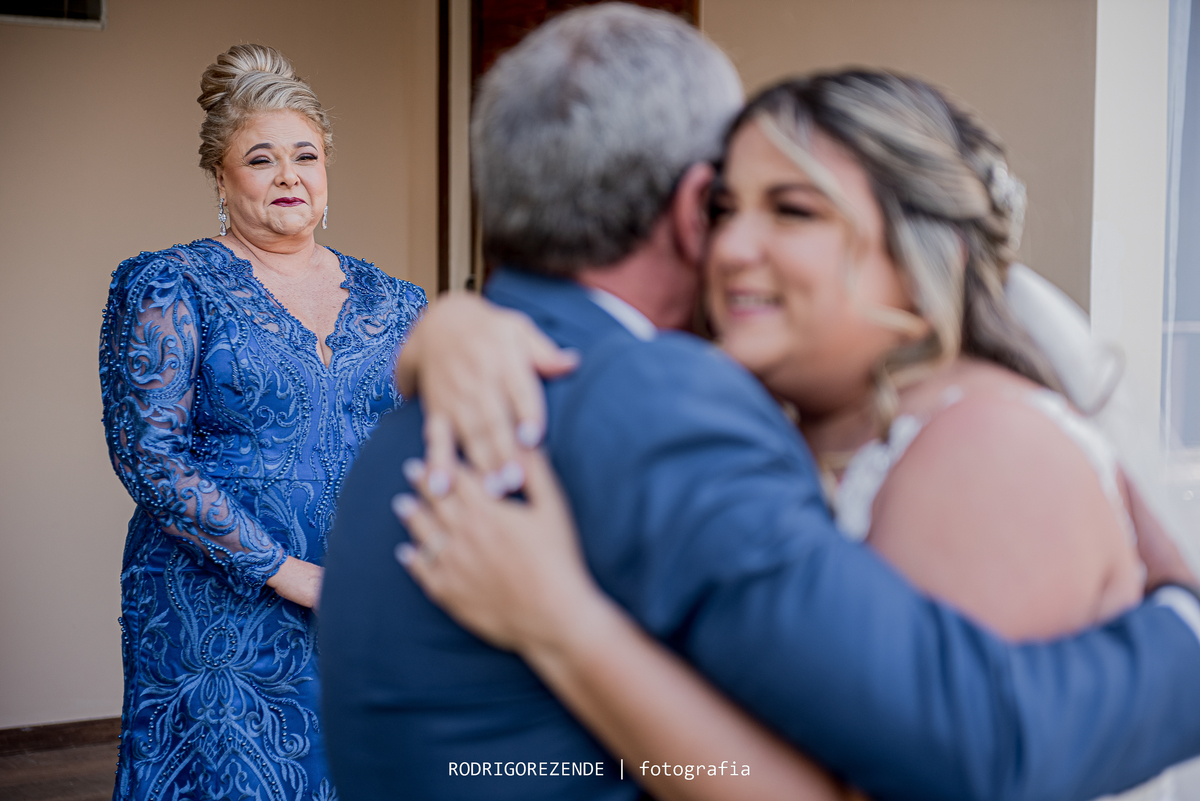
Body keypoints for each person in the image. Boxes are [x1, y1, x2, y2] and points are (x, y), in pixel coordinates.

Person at [317, 6, 1200, 801]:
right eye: (734, 204)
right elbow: (963, 742)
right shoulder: (652, 399)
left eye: (792, 209)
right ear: (695, 206)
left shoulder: (437, 409)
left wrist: (567, 624)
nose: (742, 246)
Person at [99, 44, 426, 801]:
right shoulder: (170, 285)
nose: (289, 176)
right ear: (221, 176)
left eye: (306, 156)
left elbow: (432, 444)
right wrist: (288, 573)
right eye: (262, 159)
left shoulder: (399, 302)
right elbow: (150, 455)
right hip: (216, 604)